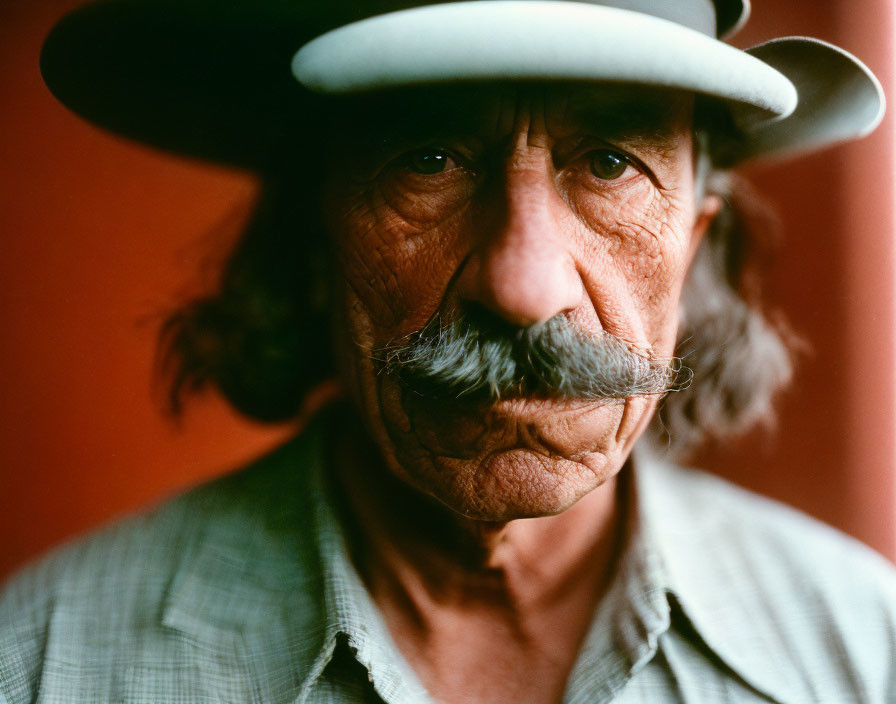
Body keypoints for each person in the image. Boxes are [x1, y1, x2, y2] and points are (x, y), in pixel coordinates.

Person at [2, 1, 894, 702]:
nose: (522, 285)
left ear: (692, 240)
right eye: (427, 159)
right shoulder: (46, 662)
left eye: (612, 162)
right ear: (314, 239)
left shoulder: (865, 647)